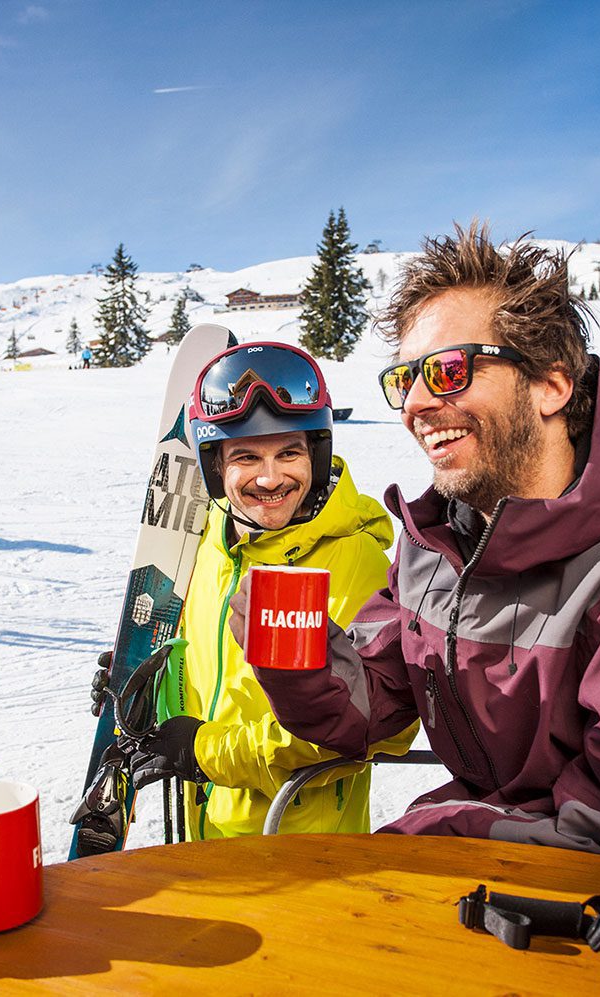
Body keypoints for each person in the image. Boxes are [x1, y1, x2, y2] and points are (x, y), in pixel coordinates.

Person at [231, 222, 600, 856]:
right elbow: (370, 702)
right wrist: (297, 657)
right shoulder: (432, 547)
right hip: (478, 873)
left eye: (451, 370)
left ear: (551, 384)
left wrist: (432, 826)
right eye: (405, 380)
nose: (416, 405)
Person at [112, 341, 416, 840]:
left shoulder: (353, 561)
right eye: (246, 456)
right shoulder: (209, 544)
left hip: (300, 841)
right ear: (215, 467)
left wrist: (204, 751)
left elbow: (381, 726)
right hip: (202, 827)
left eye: (289, 453)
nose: (270, 478)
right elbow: (208, 671)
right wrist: (147, 670)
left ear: (316, 455)